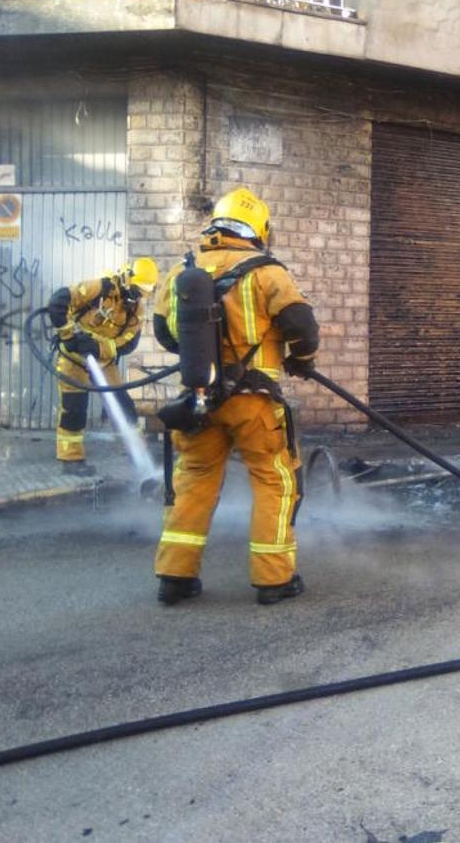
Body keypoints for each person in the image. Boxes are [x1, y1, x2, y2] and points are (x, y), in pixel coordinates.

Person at [151, 187, 319, 606]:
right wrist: (301, 359)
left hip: (199, 399)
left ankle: (174, 577)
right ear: (258, 230)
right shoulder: (267, 272)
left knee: (193, 481)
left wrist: (206, 353)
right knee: (274, 480)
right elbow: (301, 324)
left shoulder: (182, 271)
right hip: (253, 403)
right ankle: (274, 579)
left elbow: (165, 334)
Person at [47, 258, 159, 474]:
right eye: (137, 290)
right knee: (74, 408)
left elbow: (127, 343)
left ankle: (138, 452)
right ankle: (71, 461)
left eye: (142, 293)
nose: (137, 296)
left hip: (103, 362)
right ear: (127, 279)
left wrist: (100, 348)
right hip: (74, 359)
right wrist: (69, 336)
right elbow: (59, 302)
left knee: (123, 405)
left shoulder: (135, 310)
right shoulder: (99, 288)